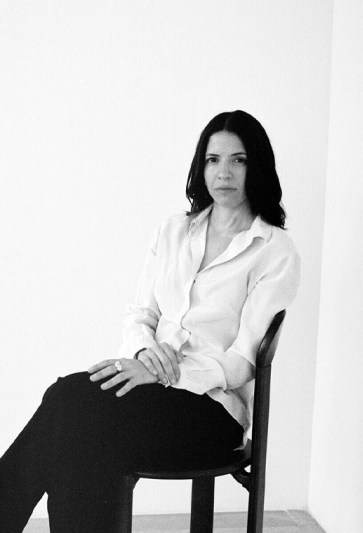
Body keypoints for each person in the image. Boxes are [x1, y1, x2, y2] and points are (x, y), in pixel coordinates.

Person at [0, 110, 300, 532]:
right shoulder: (174, 231)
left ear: (258, 167)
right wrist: (143, 352)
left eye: (239, 160)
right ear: (201, 167)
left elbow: (242, 363)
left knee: (69, 405)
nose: (224, 172)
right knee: (77, 425)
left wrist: (163, 373)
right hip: (147, 391)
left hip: (212, 413)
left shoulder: (274, 250)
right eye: (213, 159)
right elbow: (141, 315)